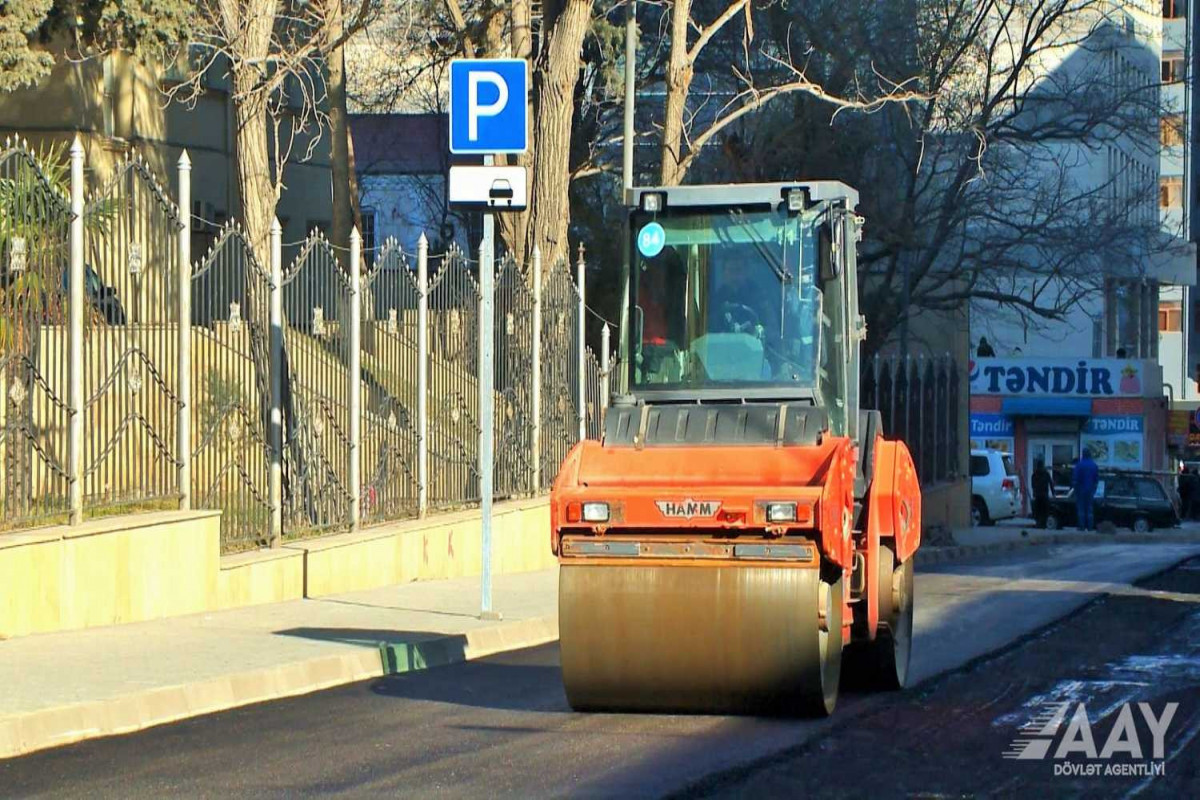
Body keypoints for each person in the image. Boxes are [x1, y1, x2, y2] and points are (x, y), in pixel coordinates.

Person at [1072, 448, 1100, 531]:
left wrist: (1075, 489)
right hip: (1090, 490)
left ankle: (1082, 526)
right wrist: (1094, 489)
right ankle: (1090, 527)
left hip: (1080, 490)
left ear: (1083, 454)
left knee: (1081, 509)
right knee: (1089, 509)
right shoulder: (1094, 465)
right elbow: (1096, 479)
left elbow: (1075, 479)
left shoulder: (1079, 465)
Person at [1031, 459, 1052, 529]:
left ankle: (1038, 523)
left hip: (1038, 495)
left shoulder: (1034, 474)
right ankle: (1043, 524)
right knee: (1045, 510)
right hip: (1045, 495)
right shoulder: (1046, 474)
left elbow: (1033, 485)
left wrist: (1034, 492)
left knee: (1038, 510)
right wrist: (1054, 493)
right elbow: (1051, 484)